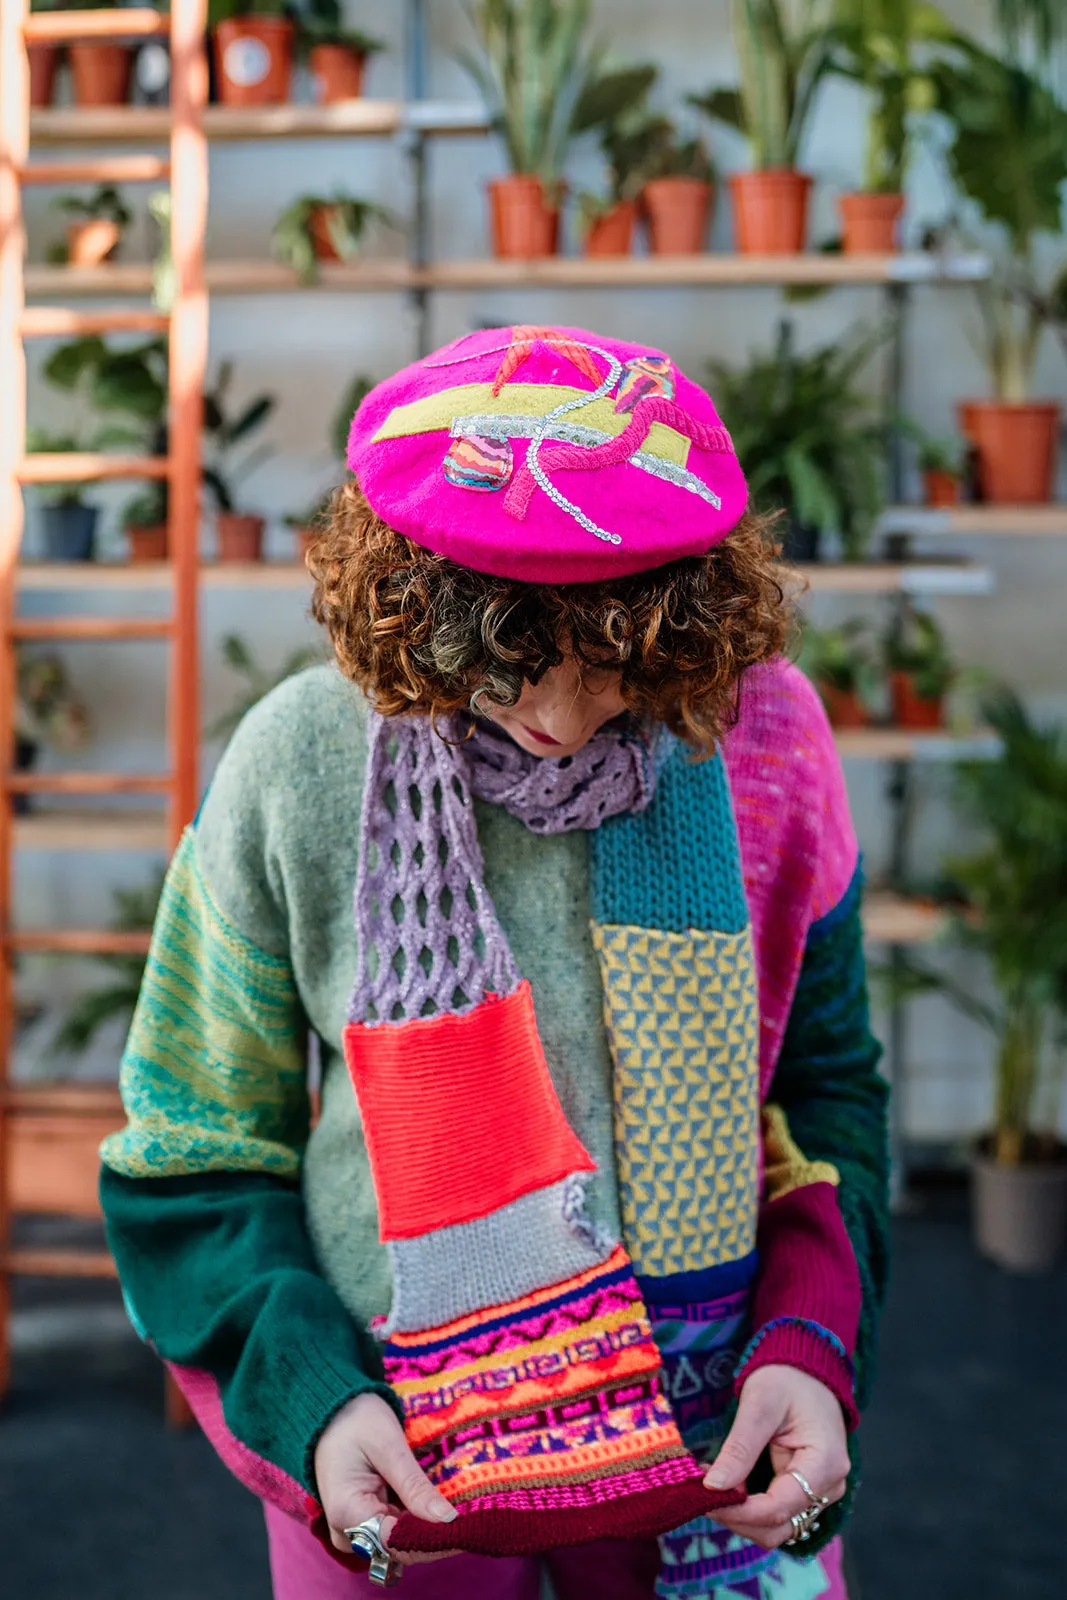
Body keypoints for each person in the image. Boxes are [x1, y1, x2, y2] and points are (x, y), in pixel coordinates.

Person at [99, 324, 888, 1600]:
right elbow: (191, 1147)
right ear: (418, 604)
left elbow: (830, 1089)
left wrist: (809, 1336)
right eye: (512, 655)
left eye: (617, 664)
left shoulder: (767, 743)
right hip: (393, 1467)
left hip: (714, 1460)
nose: (563, 717)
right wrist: (310, 1402)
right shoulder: (296, 761)